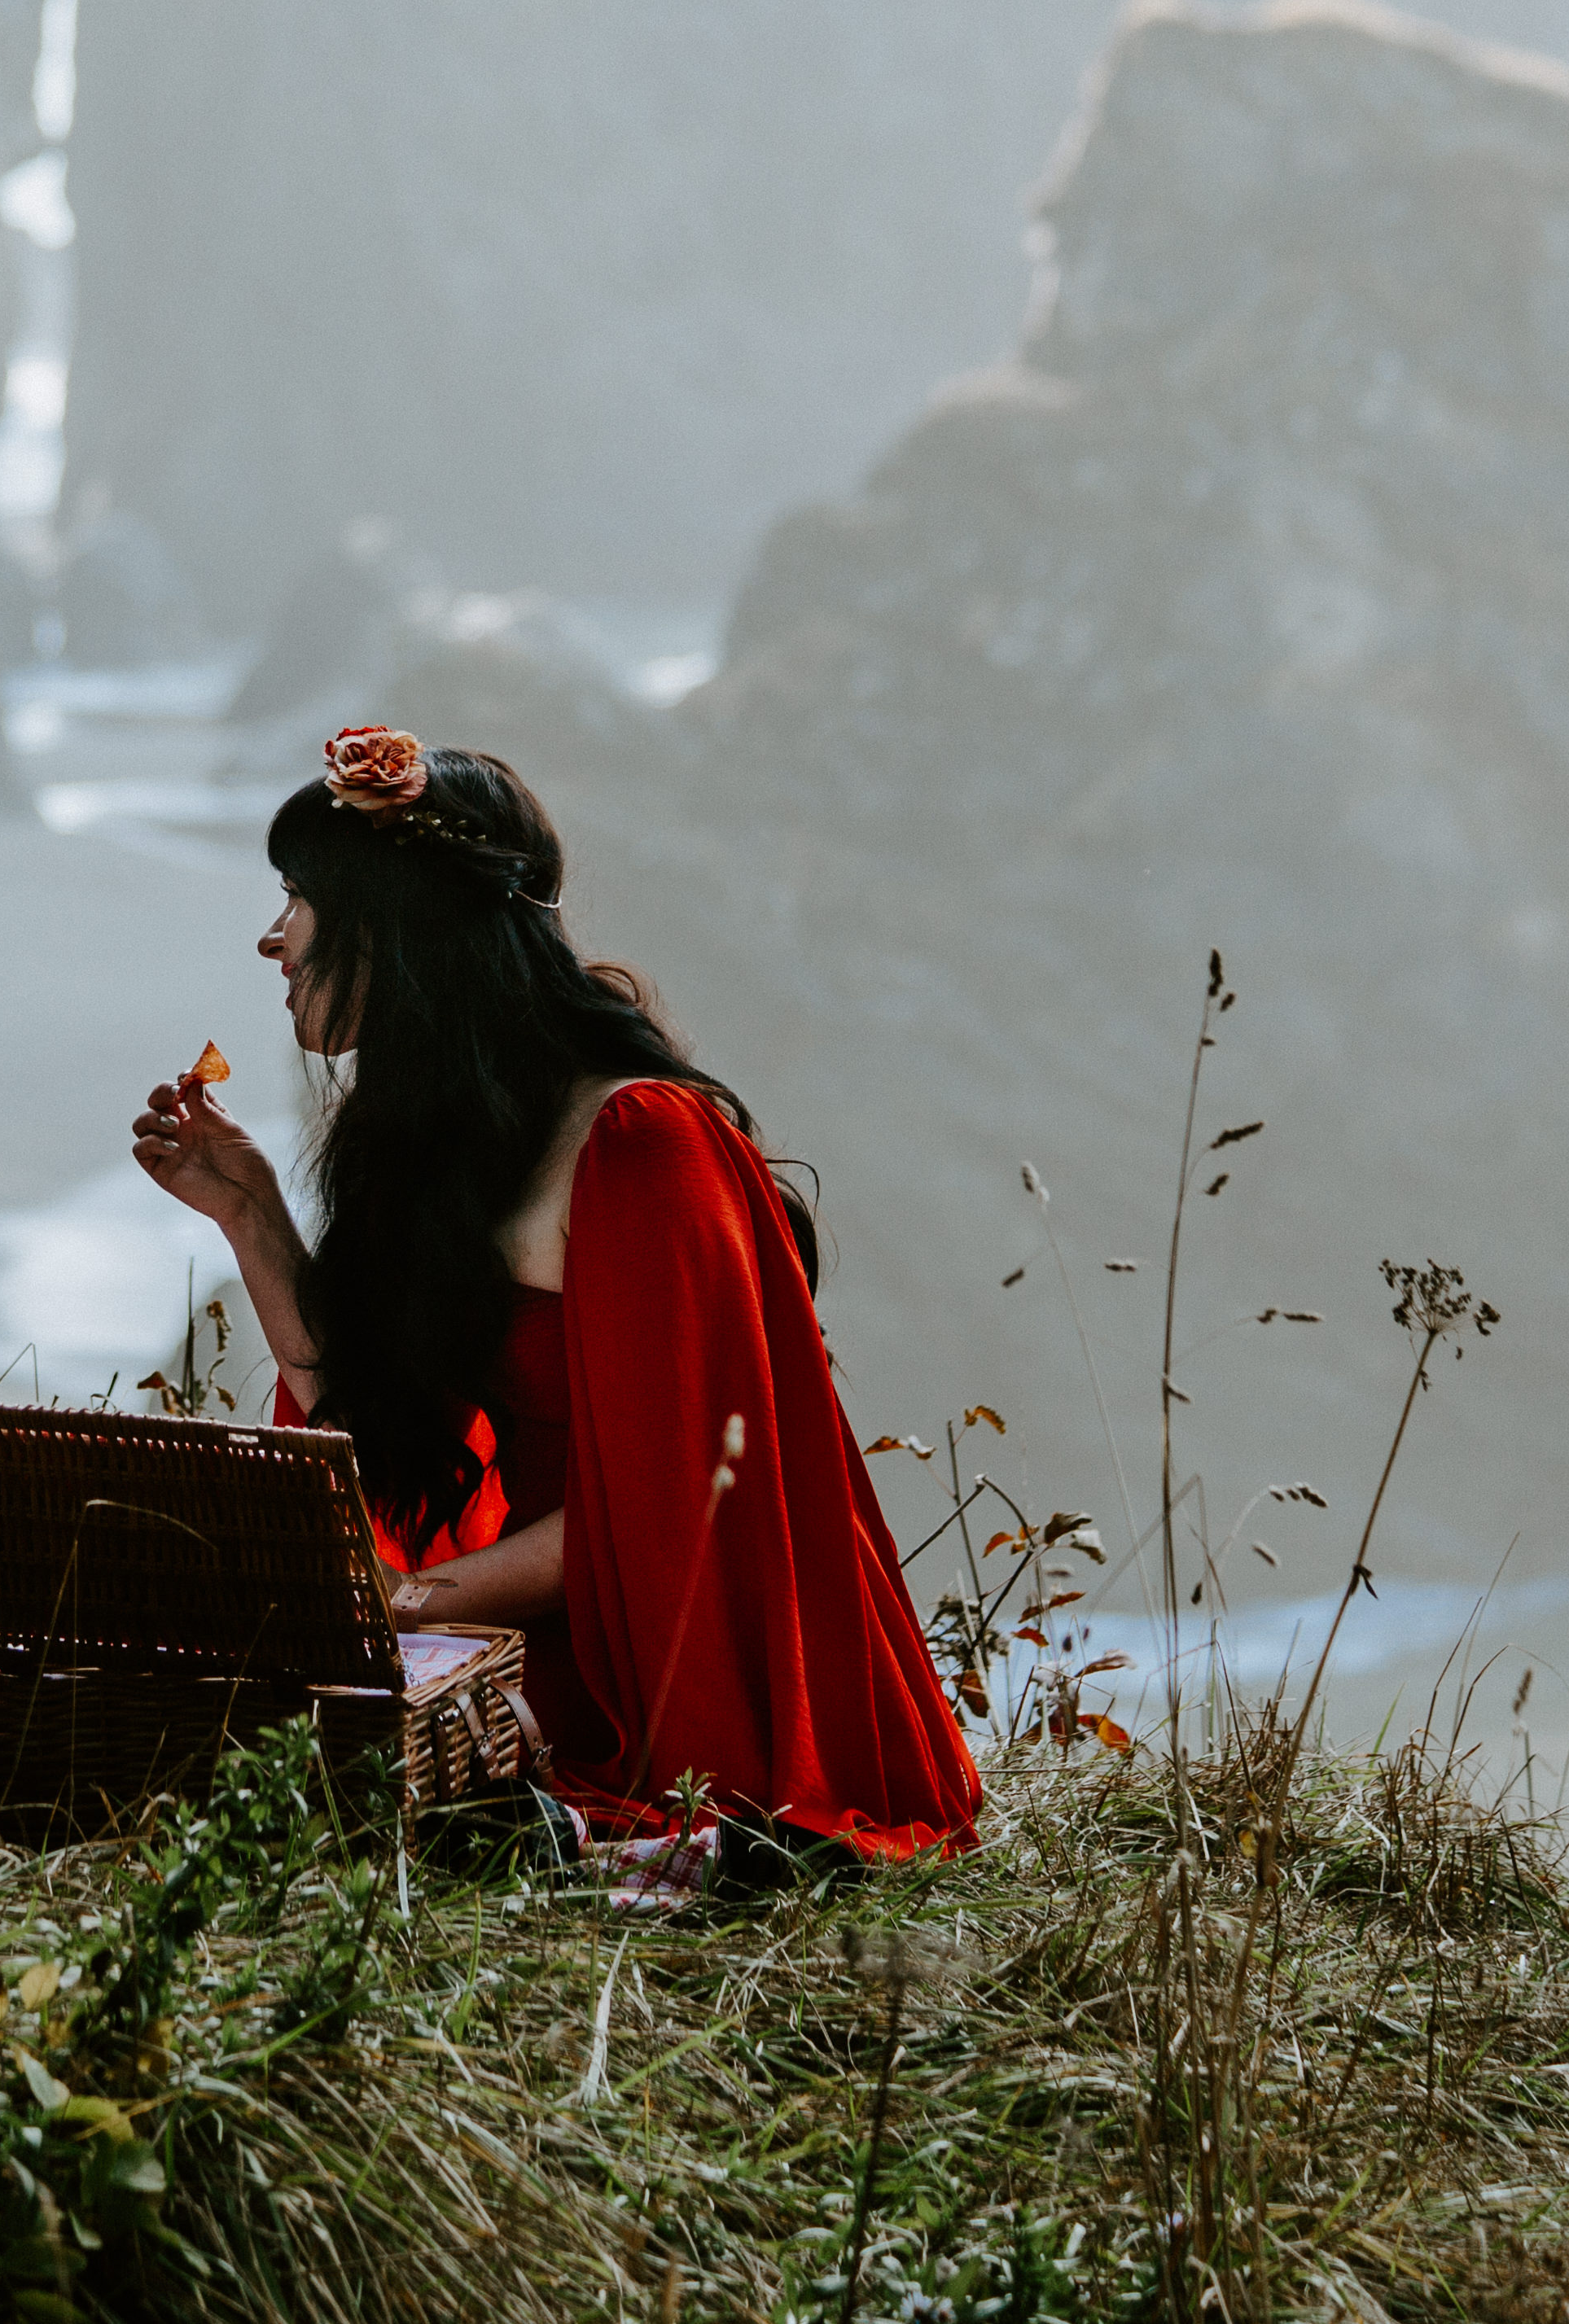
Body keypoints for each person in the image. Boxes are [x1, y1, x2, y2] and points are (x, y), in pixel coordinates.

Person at [129, 724, 979, 1874]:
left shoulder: (639, 1144)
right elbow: (379, 1418)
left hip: (685, 1660)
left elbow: (676, 1501)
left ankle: (640, 1845)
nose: (273, 938)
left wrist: (414, 1603)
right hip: (530, 1639)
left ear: (396, 920)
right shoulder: (437, 1150)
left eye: (300, 897)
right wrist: (250, 1214)